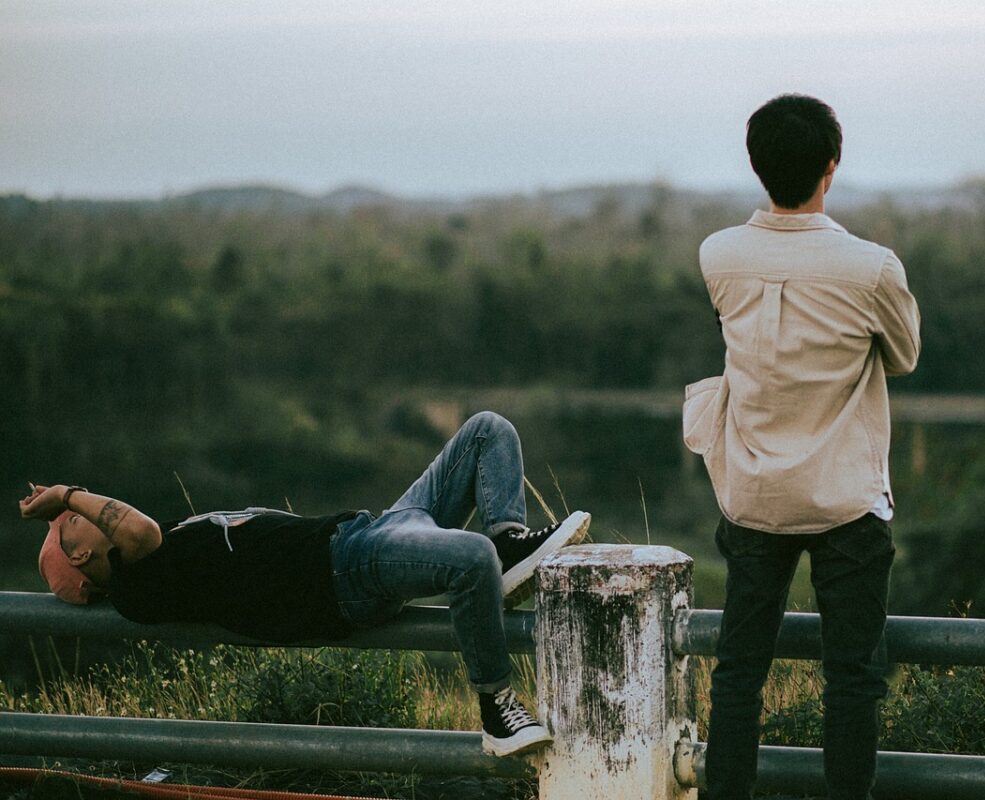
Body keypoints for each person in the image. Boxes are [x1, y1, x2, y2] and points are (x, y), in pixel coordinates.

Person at [20, 410, 590, 758]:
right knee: (469, 559)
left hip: (366, 532)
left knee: (488, 430)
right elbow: (137, 530)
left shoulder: (159, 550)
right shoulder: (137, 586)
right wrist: (65, 494)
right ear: (82, 555)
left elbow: (143, 528)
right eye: (72, 522)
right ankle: (496, 706)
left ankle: (509, 545)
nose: (81, 510)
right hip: (347, 573)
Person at [683, 95, 920, 800]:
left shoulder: (718, 255)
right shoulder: (872, 268)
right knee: (853, 677)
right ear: (830, 167)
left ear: (757, 167)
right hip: (845, 495)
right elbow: (904, 356)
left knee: (738, 673)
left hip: (755, 491)